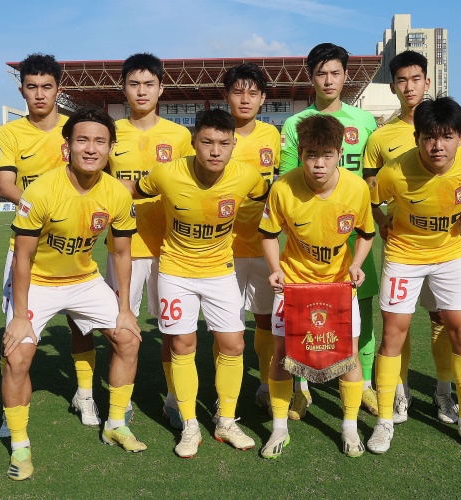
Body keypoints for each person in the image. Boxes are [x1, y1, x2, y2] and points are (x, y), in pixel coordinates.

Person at [2, 106, 145, 481]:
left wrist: (125, 308)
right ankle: (20, 444)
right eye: (82, 140)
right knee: (18, 354)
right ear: (67, 146)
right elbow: (22, 257)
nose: (91, 148)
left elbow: (122, 253)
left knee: (128, 337)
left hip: (84, 280)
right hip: (39, 282)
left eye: (100, 141)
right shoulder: (41, 190)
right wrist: (20, 317)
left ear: (110, 148)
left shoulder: (116, 194)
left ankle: (116, 424)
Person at [129, 109, 269, 458]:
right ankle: (189, 424)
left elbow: (274, 198)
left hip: (221, 271)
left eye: (223, 143)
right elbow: (132, 190)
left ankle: (226, 421)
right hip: (176, 272)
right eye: (207, 142)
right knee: (182, 344)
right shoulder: (166, 173)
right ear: (193, 142)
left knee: (233, 344)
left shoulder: (248, 176)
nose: (215, 151)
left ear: (234, 145)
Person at [368, 96, 461, 455]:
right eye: (429, 137)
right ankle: (384, 420)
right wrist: (383, 221)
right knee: (393, 333)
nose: (438, 145)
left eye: (447, 136)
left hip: (450, 256)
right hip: (404, 257)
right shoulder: (394, 172)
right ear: (417, 138)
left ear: (460, 138)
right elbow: (372, 201)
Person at [0, 53, 101, 437]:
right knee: (16, 334)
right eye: (32, 87)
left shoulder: (76, 129)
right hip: (27, 245)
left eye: (47, 86)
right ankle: (10, 412)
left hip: (74, 247)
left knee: (81, 325)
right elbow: (5, 184)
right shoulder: (9, 134)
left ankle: (85, 394)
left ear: (58, 89)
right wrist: (44, 209)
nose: (39, 94)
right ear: (22, 90)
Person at [259, 114, 375, 458]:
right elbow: (268, 234)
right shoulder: (283, 188)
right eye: (311, 155)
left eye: (326, 155)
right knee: (282, 354)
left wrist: (356, 263)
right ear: (301, 154)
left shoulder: (356, 188)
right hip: (294, 286)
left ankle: (349, 427)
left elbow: (366, 233)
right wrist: (275, 269)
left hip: (338, 287)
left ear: (339, 153)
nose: (319, 164)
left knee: (348, 355)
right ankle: (279, 428)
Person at [278, 42, 378, 419]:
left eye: (336, 72)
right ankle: (301, 387)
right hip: (310, 235)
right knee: (304, 312)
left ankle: (363, 384)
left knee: (360, 308)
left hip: (354, 230)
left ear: (346, 76)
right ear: (311, 77)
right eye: (321, 73)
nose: (329, 80)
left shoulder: (364, 121)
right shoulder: (294, 124)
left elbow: (371, 176)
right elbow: (287, 178)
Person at [364, 49, 457, 425]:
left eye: (416, 79)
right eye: (401, 80)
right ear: (392, 87)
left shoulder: (448, 126)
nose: (409, 86)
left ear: (427, 82)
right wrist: (380, 220)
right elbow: (370, 189)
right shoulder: (380, 137)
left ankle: (444, 391)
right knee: (396, 324)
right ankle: (400, 392)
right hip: (402, 248)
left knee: (442, 318)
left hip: (444, 248)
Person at [106, 53, 194, 429]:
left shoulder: (180, 136)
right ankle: (121, 402)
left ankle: (173, 399)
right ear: (123, 88)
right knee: (121, 328)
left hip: (170, 248)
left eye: (148, 84)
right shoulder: (110, 132)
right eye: (134, 84)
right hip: (123, 246)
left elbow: (191, 186)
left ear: (161, 88)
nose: (141, 91)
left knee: (173, 329)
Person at [221, 63, 281, 412]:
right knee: (227, 326)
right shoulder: (216, 133)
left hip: (262, 246)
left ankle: (264, 385)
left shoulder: (272, 136)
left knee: (264, 319)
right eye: (238, 92)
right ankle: (225, 393)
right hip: (222, 250)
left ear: (263, 98)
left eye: (252, 93)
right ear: (226, 96)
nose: (245, 99)